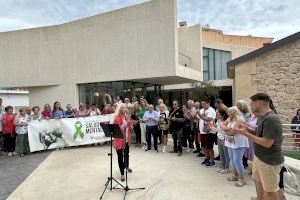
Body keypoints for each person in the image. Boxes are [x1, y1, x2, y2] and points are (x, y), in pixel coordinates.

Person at [236, 93, 284, 199]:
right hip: (259, 157)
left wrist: (246, 134)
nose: (250, 105)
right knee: (258, 181)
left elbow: (267, 143)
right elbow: (258, 133)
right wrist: (247, 128)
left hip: (269, 160)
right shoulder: (261, 117)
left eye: (252, 103)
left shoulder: (271, 119)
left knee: (270, 190)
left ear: (260, 103)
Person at [221, 106, 249, 187]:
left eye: (230, 112)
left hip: (238, 142)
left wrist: (225, 129)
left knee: (237, 161)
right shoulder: (229, 119)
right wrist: (227, 128)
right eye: (228, 112)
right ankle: (235, 175)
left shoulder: (240, 119)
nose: (228, 114)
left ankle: (242, 179)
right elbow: (222, 125)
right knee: (232, 160)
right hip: (230, 142)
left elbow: (234, 132)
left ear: (235, 112)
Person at [113, 103, 133, 182]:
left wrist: (130, 126)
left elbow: (131, 127)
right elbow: (116, 130)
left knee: (127, 154)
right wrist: (122, 126)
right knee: (120, 157)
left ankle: (127, 166)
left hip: (126, 139)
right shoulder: (116, 118)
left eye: (126, 108)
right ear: (120, 109)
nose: (125, 109)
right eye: (124, 108)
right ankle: (122, 174)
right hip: (119, 140)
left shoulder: (127, 117)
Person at [198, 99, 216, 166]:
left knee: (209, 147)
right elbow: (198, 119)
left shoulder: (211, 110)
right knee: (204, 146)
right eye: (202, 104)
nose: (203, 105)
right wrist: (195, 115)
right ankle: (206, 158)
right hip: (202, 131)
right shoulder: (201, 110)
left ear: (208, 103)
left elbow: (209, 119)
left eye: (204, 103)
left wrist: (200, 116)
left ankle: (212, 160)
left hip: (209, 132)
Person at [237, 99, 251, 168]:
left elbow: (245, 123)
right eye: (237, 105)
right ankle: (241, 162)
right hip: (238, 133)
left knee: (244, 148)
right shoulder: (238, 114)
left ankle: (244, 163)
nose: (238, 107)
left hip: (244, 133)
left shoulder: (248, 115)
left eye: (239, 105)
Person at [215, 110, 230, 174]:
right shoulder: (218, 121)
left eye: (219, 115)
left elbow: (225, 130)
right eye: (217, 114)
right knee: (221, 153)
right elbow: (217, 130)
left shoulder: (226, 121)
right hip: (219, 137)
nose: (217, 116)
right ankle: (222, 166)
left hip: (225, 138)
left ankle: (226, 167)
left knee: (226, 153)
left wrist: (219, 128)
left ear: (223, 115)